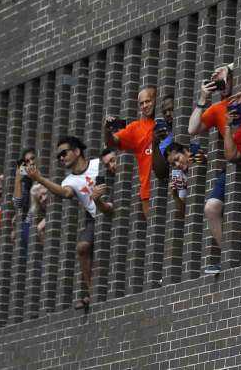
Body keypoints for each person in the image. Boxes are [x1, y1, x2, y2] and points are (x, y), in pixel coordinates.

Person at [27, 135, 113, 310]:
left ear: (77, 151)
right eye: (58, 156)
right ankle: (93, 291)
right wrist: (40, 179)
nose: (61, 158)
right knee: (82, 247)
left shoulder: (97, 164)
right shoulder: (69, 181)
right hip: (95, 217)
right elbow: (65, 193)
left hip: (112, 206)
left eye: (64, 153)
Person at [187, 64, 241, 275]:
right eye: (214, 78)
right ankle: (229, 256)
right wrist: (203, 97)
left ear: (232, 78)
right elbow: (192, 129)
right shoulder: (218, 108)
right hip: (235, 162)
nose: (216, 77)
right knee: (211, 208)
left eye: (221, 75)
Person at [105, 85, 157, 219]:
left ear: (156, 100)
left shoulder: (166, 120)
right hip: (147, 188)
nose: (145, 106)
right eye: (141, 103)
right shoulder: (135, 127)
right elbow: (112, 142)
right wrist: (107, 131)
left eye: (148, 101)